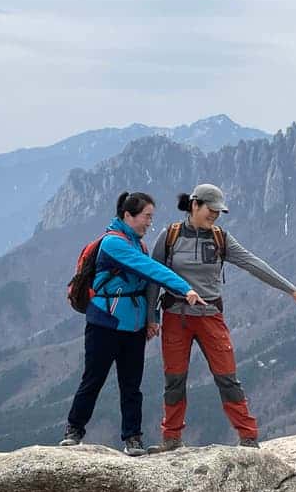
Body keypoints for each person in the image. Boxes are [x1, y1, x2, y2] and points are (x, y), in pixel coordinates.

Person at [146, 183, 296, 452]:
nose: (214, 216)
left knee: (227, 376)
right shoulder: (170, 236)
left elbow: (252, 262)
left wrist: (289, 288)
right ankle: (171, 439)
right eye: (210, 210)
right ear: (195, 205)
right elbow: (153, 277)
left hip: (210, 315)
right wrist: (152, 316)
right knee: (174, 378)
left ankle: (248, 437)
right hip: (176, 317)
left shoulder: (221, 238)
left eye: (218, 212)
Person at [60, 191, 205, 455]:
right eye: (146, 216)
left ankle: (132, 438)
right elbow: (150, 270)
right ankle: (74, 430)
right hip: (105, 323)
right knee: (93, 379)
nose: (150, 222)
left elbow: (147, 285)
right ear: (128, 216)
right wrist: (184, 288)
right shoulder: (114, 245)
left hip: (133, 328)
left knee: (131, 386)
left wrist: (151, 319)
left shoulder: (138, 244)